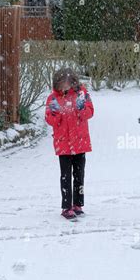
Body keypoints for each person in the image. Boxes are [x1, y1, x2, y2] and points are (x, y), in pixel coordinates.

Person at [45, 68, 94, 220]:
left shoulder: (82, 94)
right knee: (65, 176)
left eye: (67, 83)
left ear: (73, 82)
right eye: (61, 83)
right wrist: (54, 113)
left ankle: (78, 205)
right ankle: (66, 207)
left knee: (79, 175)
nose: (65, 86)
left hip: (80, 143)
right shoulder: (52, 98)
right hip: (63, 145)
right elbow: (50, 120)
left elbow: (90, 113)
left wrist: (81, 108)